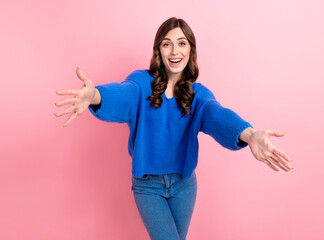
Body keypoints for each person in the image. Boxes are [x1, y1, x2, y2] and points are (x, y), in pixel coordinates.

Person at [54, 17, 293, 240]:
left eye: (181, 43)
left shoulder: (198, 95)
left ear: (191, 49)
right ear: (159, 50)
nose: (175, 51)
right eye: (167, 44)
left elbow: (216, 114)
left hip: (184, 184)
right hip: (148, 186)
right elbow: (123, 94)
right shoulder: (140, 83)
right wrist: (95, 95)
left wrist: (249, 134)